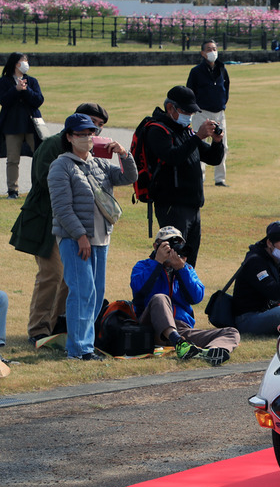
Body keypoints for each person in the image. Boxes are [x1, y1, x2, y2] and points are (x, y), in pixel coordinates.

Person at [10, 102, 108, 347]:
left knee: (70, 278)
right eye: (92, 125)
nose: (93, 133)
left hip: (73, 223)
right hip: (46, 220)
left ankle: (55, 326)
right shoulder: (54, 144)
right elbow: (43, 182)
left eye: (98, 128)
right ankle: (38, 329)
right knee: (52, 274)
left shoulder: (87, 151)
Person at [49, 113, 137, 360]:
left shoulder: (98, 163)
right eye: (81, 134)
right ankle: (78, 350)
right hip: (76, 240)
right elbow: (62, 208)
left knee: (96, 294)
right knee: (82, 292)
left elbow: (130, 177)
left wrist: (123, 154)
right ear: (69, 137)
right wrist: (80, 236)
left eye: (91, 133)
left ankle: (85, 344)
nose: (88, 138)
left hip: (101, 238)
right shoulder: (61, 165)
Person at [131, 226, 240, 366]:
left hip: (182, 328)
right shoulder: (143, 266)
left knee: (232, 332)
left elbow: (196, 297)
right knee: (160, 298)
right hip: (152, 327)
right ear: (156, 246)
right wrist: (157, 263)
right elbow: (139, 289)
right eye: (169, 245)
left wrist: (181, 270)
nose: (173, 251)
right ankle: (179, 343)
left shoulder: (186, 268)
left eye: (177, 245)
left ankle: (209, 352)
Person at [144, 85, 225, 268]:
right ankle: (165, 295)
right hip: (172, 207)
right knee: (172, 260)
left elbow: (213, 158)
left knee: (188, 262)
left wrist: (217, 142)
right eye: (185, 111)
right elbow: (173, 157)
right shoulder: (157, 130)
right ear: (170, 108)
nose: (189, 115)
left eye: (192, 112)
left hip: (193, 207)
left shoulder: (185, 130)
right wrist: (198, 137)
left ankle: (184, 296)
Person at [187, 39, 230, 187]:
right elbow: (190, 91)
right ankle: (199, 177)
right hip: (202, 113)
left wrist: (222, 103)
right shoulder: (196, 72)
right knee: (200, 144)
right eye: (209, 49)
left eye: (214, 48)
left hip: (219, 113)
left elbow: (226, 89)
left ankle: (220, 179)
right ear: (203, 53)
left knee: (222, 144)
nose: (212, 52)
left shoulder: (222, 69)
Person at [0, 52, 44, 199]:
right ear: (15, 63)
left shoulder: (32, 81)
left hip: (31, 124)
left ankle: (39, 187)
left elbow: (38, 100)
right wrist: (15, 89)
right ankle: (13, 190)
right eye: (23, 61)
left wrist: (26, 90)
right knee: (12, 159)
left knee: (38, 156)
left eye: (26, 60)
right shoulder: (4, 82)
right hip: (12, 125)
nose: (25, 63)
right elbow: (4, 101)